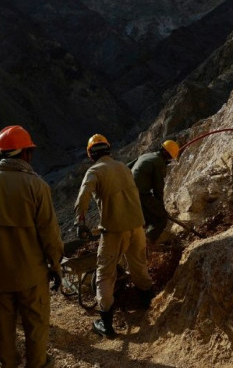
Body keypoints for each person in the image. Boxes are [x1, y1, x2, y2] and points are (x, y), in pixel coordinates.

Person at [0, 125, 63, 368]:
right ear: (25, 154)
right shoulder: (37, 186)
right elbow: (50, 235)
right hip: (31, 275)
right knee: (35, 327)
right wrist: (55, 265)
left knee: (3, 327)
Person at [74, 134, 154, 338]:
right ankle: (147, 304)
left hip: (114, 231)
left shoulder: (94, 171)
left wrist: (80, 222)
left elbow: (83, 197)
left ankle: (106, 324)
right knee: (138, 264)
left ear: (90, 154)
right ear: (109, 150)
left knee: (105, 273)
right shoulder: (123, 167)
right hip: (136, 227)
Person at [130, 140, 179, 245]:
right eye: (170, 158)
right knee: (161, 219)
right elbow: (158, 189)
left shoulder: (146, 155)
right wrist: (161, 208)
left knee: (146, 219)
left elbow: (126, 167)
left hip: (127, 192)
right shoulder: (159, 163)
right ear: (167, 155)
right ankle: (145, 244)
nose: (169, 161)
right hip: (141, 194)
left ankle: (138, 240)